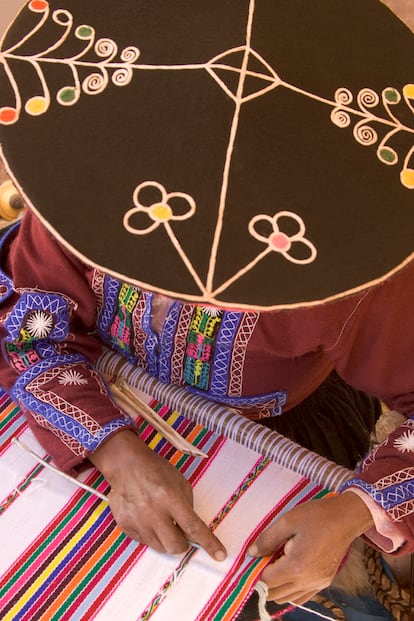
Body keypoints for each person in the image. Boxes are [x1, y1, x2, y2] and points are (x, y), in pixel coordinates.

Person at [0, 0, 413, 612]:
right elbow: (31, 325)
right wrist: (116, 453)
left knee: (294, 586)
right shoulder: (88, 199)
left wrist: (351, 511)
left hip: (270, 431)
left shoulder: (360, 274)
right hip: (100, 391)